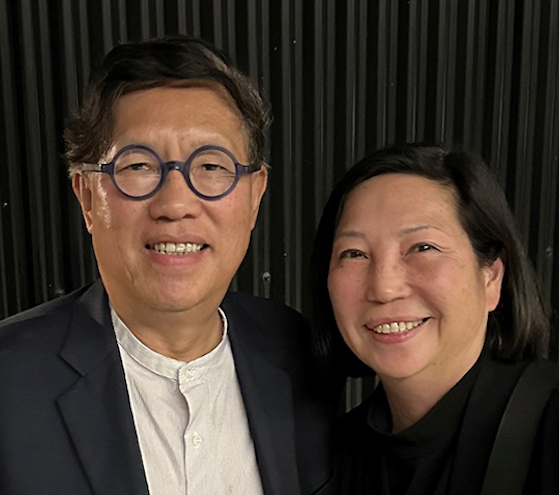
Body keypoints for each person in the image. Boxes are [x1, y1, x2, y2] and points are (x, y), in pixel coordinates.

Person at [0, 36, 336, 495]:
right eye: (139, 165)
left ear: (255, 195)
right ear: (86, 196)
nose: (176, 204)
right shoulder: (10, 380)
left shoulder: (296, 350)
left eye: (212, 166)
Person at [311, 144, 559, 494]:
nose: (384, 288)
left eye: (423, 248)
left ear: (491, 277)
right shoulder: (323, 461)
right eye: (355, 254)